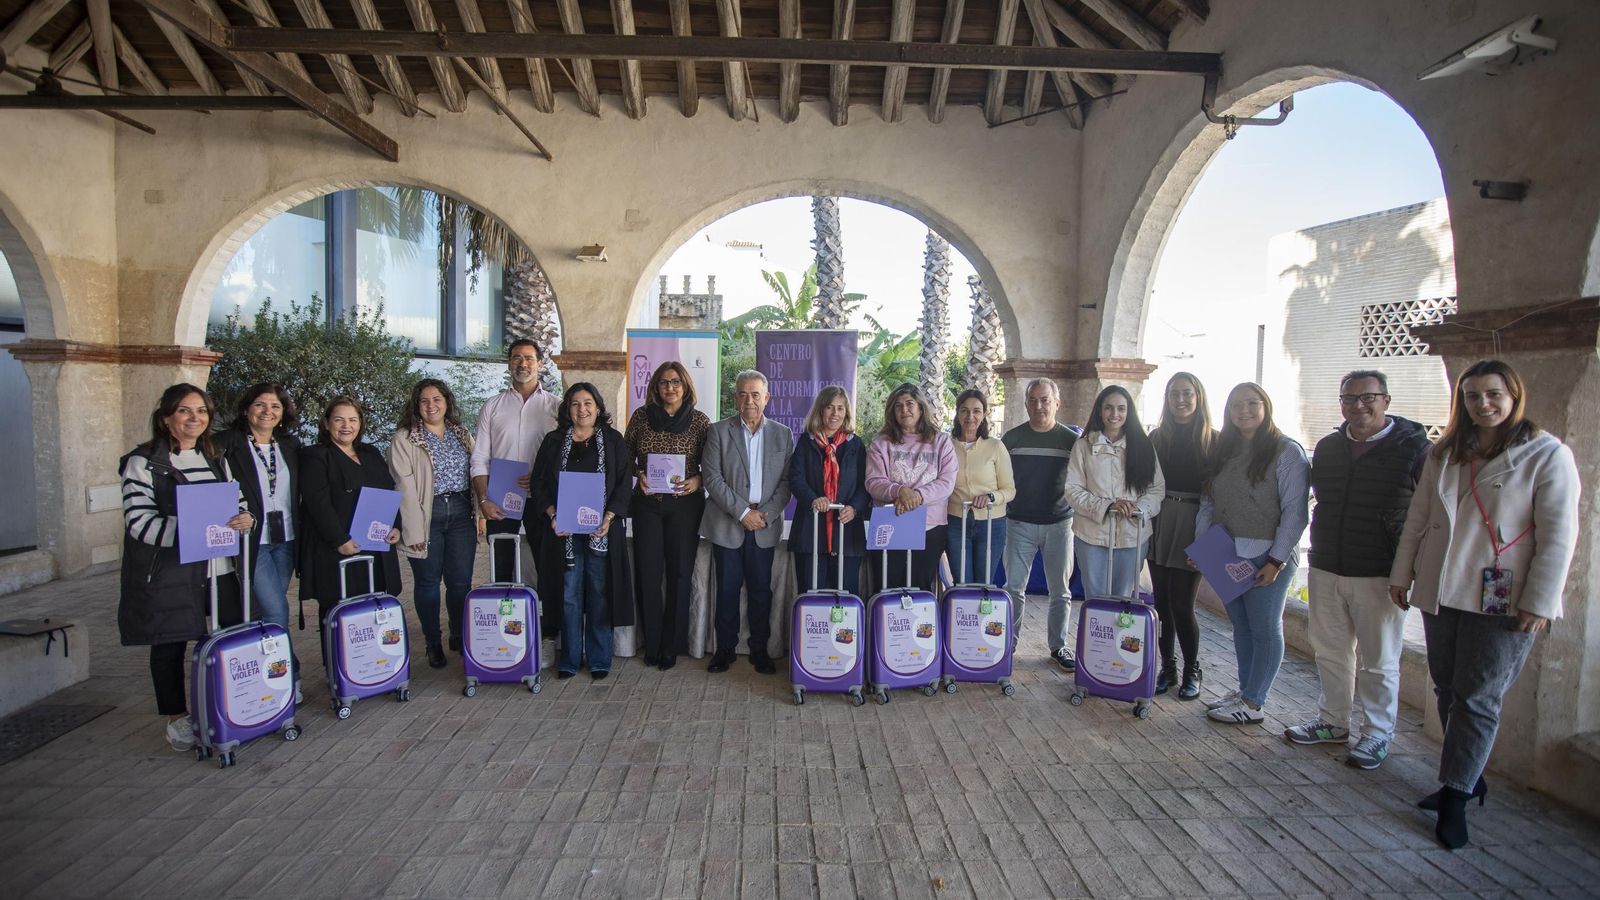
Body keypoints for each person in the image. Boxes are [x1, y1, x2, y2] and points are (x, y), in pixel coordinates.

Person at [1389, 359, 1579, 850]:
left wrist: (1539, 601)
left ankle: (1454, 796)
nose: (1483, 404)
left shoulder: (1545, 454)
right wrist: (1403, 573)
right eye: (1473, 396)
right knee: (1448, 688)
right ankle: (1469, 777)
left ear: (1513, 395)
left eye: (1493, 394)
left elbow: (1559, 535)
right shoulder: (1446, 453)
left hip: (1503, 596)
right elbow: (1419, 518)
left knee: (1479, 697)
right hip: (1443, 588)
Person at [1285, 371, 1429, 769]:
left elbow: (1428, 514)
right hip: (1328, 564)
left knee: (1379, 659)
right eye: (1349, 399)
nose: (1358, 406)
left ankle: (1377, 733)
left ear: (1385, 399)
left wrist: (1409, 570)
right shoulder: (1329, 447)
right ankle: (1333, 722)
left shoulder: (1414, 449)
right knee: (1330, 651)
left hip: (1380, 571)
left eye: (1368, 398)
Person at [118, 384, 253, 751]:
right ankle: (177, 720)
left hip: (220, 569)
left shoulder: (215, 456)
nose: (195, 418)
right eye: (185, 411)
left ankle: (230, 708)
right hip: (173, 571)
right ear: (166, 418)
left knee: (229, 639)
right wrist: (192, 532)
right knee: (170, 645)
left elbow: (237, 502)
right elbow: (138, 522)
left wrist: (245, 518)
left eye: (202, 412)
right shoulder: (144, 462)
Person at [1194, 383, 1310, 725]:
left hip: (1266, 555)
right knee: (1242, 627)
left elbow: (1295, 512)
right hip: (1226, 552)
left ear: (1266, 406)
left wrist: (1276, 560)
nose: (1244, 410)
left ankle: (1255, 701)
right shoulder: (1224, 450)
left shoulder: (1286, 451)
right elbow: (1208, 502)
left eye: (1252, 403)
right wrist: (1204, 547)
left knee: (1265, 627)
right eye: (1236, 405)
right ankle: (1245, 691)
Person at [531, 383, 634, 680]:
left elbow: (624, 482)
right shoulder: (553, 441)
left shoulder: (613, 441)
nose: (582, 409)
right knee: (569, 594)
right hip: (564, 534)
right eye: (575, 404)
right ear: (567, 409)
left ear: (598, 407)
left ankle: (600, 658)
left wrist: (610, 516)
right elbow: (538, 483)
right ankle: (571, 658)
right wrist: (552, 514)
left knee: (600, 592)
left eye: (588, 403)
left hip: (602, 532)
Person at [298, 396, 403, 671]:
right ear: (326, 423)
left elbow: (388, 492)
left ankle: (377, 665)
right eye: (339, 419)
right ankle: (341, 670)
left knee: (375, 608)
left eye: (353, 420)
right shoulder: (317, 456)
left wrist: (396, 525)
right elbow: (317, 502)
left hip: (375, 545)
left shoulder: (370, 454)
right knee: (340, 609)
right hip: (339, 549)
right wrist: (339, 540)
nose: (346, 426)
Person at [700, 370, 794, 675]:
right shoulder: (718, 431)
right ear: (735, 397)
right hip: (728, 523)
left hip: (764, 525)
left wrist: (762, 515)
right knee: (726, 591)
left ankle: (760, 650)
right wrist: (743, 513)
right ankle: (724, 650)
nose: (749, 400)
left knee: (760, 592)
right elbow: (712, 478)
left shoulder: (783, 434)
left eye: (755, 394)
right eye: (743, 394)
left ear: (767, 398)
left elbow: (786, 482)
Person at [470, 339, 562, 646]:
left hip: (543, 501)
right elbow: (480, 457)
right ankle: (503, 627)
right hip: (500, 499)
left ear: (540, 364)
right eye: (517, 358)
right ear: (509, 363)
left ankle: (549, 631)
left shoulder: (556, 407)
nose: (523, 363)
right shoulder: (492, 406)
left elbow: (564, 458)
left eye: (529, 358)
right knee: (501, 563)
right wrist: (483, 499)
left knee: (546, 563)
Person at [625, 361, 711, 671]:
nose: (670, 387)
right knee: (648, 574)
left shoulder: (700, 422)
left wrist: (697, 481)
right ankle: (653, 641)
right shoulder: (641, 417)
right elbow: (625, 456)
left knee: (678, 574)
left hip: (685, 506)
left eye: (676, 382)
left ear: (686, 386)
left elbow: (711, 467)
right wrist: (639, 474)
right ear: (655, 387)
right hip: (647, 504)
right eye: (663, 382)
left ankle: (672, 645)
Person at [389, 378, 481, 670]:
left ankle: (457, 633)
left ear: (446, 402)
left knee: (460, 583)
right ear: (416, 405)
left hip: (461, 512)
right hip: (425, 514)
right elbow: (403, 487)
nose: (431, 406)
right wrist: (413, 529)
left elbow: (476, 472)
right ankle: (432, 642)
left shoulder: (461, 433)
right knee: (428, 583)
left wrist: (479, 514)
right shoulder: (405, 438)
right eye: (425, 401)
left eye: (437, 399)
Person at [217, 384, 302, 672]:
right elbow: (216, 486)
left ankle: (258, 667)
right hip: (253, 539)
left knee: (267, 608)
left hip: (286, 538)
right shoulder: (227, 444)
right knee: (277, 609)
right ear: (246, 409)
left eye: (275, 406)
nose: (268, 412)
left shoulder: (289, 445)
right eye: (260, 405)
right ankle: (287, 671)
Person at [1001, 378, 1080, 667]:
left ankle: (1059, 646)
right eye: (1033, 400)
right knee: (1013, 589)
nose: (1039, 406)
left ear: (1056, 403)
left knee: (1060, 592)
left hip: (1060, 524)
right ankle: (1008, 644)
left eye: (1045, 400)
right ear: (1026, 404)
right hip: (1018, 524)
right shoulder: (1011, 439)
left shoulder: (1072, 442)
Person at [1147, 373, 1216, 700]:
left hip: (1195, 522)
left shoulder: (1213, 441)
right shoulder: (1158, 437)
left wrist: (1208, 542)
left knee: (1182, 605)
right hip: (1162, 519)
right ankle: (1168, 668)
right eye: (1174, 393)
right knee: (1161, 603)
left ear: (1198, 396)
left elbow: (1219, 496)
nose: (1181, 400)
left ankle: (1192, 669)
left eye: (1187, 393)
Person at [1065, 385, 1165, 601]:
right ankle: (1096, 637)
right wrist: (1107, 507)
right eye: (1109, 408)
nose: (1115, 414)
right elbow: (1072, 490)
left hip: (1132, 536)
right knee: (1095, 599)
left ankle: (1121, 636)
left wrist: (1138, 509)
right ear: (1100, 410)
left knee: (1123, 599)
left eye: (1121, 408)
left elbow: (1156, 489)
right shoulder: (1083, 446)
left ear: (1129, 412)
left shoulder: (1144, 447)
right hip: (1092, 536)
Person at [865, 383, 957, 593]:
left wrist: (917, 496)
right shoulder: (881, 443)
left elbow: (947, 482)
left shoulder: (941, 442)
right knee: (887, 588)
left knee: (920, 588)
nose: (904, 410)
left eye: (909, 404)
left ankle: (919, 627)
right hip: (890, 525)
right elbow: (873, 481)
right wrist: (899, 491)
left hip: (930, 526)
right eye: (898, 406)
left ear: (921, 408)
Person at [789, 386, 871, 596]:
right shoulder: (806, 442)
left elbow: (866, 484)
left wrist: (854, 508)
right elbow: (795, 478)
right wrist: (813, 499)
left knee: (846, 598)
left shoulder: (856, 445)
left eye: (840, 408)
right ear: (820, 410)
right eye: (829, 407)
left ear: (846, 413)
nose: (835, 414)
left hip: (847, 534)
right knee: (811, 598)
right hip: (811, 533)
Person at [947, 389, 1016, 584]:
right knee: (962, 582)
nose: (970, 416)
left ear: (984, 414)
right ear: (957, 413)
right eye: (965, 410)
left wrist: (991, 497)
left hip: (991, 523)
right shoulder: (946, 445)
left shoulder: (995, 446)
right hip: (955, 522)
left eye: (976, 411)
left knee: (984, 583)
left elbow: (1009, 489)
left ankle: (983, 616)